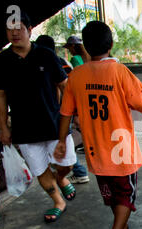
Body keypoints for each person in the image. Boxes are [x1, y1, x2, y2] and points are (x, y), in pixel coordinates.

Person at [54, 21, 142, 229]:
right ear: (111, 45)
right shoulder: (119, 71)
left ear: (85, 48)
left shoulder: (76, 76)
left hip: (96, 151)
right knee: (126, 195)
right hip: (121, 149)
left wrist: (62, 141)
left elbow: (65, 113)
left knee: (112, 194)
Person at [0, 11, 77, 222]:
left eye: (19, 28)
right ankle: (58, 201)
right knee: (39, 170)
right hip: (24, 129)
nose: (14, 33)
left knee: (67, 163)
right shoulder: (0, 61)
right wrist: (3, 126)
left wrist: (73, 115)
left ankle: (62, 178)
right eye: (10, 30)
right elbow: (0, 95)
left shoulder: (46, 55)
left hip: (54, 124)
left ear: (29, 30)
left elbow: (65, 86)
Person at [35, 35, 90, 184]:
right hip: (70, 107)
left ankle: (77, 172)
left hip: (61, 110)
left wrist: (68, 111)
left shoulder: (53, 63)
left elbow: (62, 88)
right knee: (65, 140)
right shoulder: (64, 62)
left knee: (62, 142)